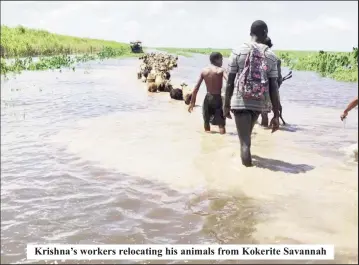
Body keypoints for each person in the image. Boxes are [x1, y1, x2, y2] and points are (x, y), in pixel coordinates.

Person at [224, 20, 281, 167]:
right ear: (265, 34)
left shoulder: (238, 51)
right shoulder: (271, 56)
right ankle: (250, 170)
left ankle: (247, 176)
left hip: (240, 102)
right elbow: (273, 87)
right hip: (258, 103)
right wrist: (276, 113)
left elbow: (230, 81)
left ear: (250, 33)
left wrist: (226, 104)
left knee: (244, 144)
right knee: (247, 138)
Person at [188, 52, 227, 134]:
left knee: (206, 120)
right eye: (221, 59)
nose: (222, 61)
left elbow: (196, 88)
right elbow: (229, 81)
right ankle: (222, 139)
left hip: (208, 98)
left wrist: (192, 102)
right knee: (221, 123)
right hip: (217, 99)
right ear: (217, 60)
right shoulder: (221, 70)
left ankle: (207, 138)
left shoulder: (204, 71)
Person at [261, 37, 283, 126]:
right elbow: (278, 78)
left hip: (260, 89)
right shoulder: (275, 59)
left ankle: (263, 135)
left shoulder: (256, 57)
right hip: (272, 89)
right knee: (276, 109)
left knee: (264, 115)